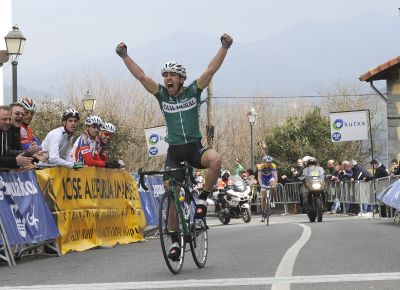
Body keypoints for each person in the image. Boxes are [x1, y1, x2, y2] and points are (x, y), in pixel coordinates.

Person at [116, 34, 232, 260]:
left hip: (195, 148)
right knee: (172, 195)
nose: (167, 78)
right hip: (175, 153)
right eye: (165, 75)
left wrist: (224, 47)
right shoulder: (161, 95)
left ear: (180, 79)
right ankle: (175, 241)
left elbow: (210, 71)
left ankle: (201, 199)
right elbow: (141, 76)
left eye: (171, 75)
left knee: (215, 159)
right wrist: (124, 56)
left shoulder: (193, 91)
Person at [257, 155, 278, 222]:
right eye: (267, 162)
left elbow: (275, 177)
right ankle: (263, 212)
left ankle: (272, 199)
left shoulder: (273, 166)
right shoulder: (260, 166)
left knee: (272, 184)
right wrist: (260, 184)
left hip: (270, 177)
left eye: (269, 162)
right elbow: (259, 177)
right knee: (263, 198)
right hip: (263, 179)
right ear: (264, 162)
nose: (268, 163)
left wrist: (275, 184)